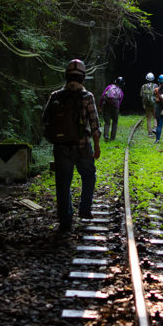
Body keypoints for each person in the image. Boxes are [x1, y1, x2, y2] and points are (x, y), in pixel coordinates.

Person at [41, 58, 100, 231]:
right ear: (83, 78)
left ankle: (65, 220)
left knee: (63, 183)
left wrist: (55, 139)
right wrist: (96, 146)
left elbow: (45, 120)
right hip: (82, 146)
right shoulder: (87, 97)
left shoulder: (55, 96)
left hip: (61, 148)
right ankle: (84, 209)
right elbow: (95, 125)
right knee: (89, 176)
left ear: (66, 77)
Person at [99, 76, 124, 142]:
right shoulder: (121, 92)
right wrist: (117, 107)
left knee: (107, 122)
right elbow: (120, 101)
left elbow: (103, 96)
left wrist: (100, 105)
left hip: (106, 106)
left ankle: (106, 135)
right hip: (115, 108)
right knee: (115, 122)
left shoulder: (109, 87)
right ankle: (112, 137)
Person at [139, 72, 156, 137]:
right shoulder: (155, 86)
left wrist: (143, 104)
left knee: (148, 118)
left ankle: (150, 133)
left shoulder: (143, 86)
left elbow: (142, 95)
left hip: (147, 104)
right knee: (155, 117)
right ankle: (155, 128)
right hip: (154, 104)